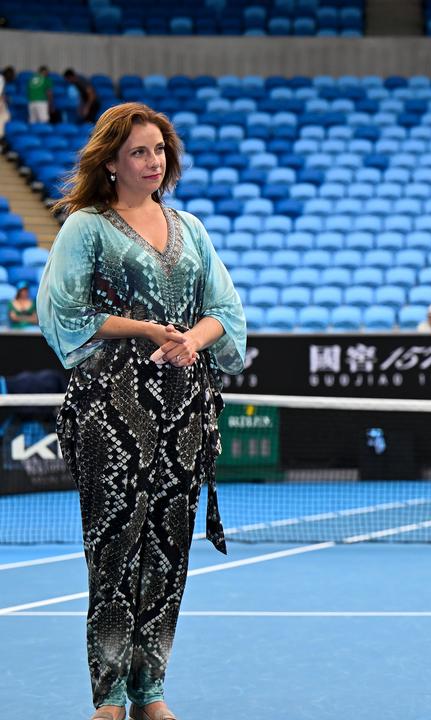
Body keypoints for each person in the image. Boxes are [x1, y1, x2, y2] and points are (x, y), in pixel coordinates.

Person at [37, 102, 246, 720]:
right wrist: (149, 329)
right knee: (113, 553)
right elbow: (64, 314)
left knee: (167, 554)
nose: (153, 161)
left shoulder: (191, 227)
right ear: (110, 162)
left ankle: (149, 691)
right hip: (110, 410)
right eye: (139, 152)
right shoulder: (86, 227)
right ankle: (108, 698)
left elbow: (226, 313)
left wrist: (190, 340)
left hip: (184, 409)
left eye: (159, 150)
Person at [0, 66, 14, 138]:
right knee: (5, 116)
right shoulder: (1, 79)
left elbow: (2, 94)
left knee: (6, 116)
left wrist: (6, 98)